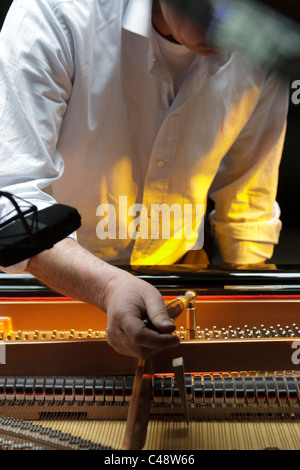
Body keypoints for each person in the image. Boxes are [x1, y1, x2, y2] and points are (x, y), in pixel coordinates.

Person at [0, 0, 289, 358]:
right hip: (47, 300)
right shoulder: (56, 10)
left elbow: (247, 213)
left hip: (176, 296)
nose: (229, 26)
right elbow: (10, 206)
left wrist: (259, 334)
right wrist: (107, 286)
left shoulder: (265, 43)